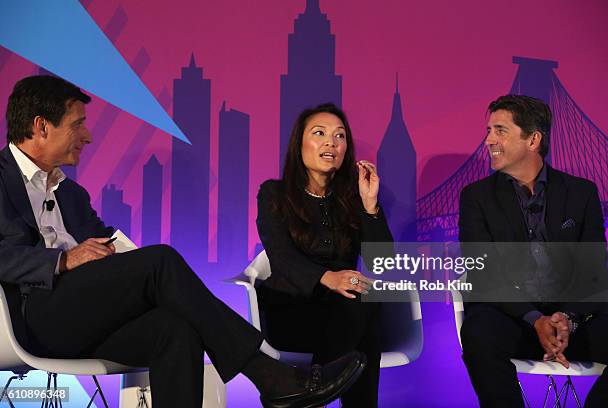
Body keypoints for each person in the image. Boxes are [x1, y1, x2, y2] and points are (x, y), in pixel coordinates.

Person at [0, 75, 367, 408]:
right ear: (41, 127)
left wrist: (131, 268)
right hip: (38, 316)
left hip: (87, 313)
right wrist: (62, 262)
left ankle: (272, 378)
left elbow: (108, 244)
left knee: (177, 330)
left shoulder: (71, 193)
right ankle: (268, 374)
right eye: (78, 124)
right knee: (160, 261)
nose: (88, 136)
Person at [458, 94, 608, 407]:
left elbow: (592, 271)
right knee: (478, 336)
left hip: (570, 321)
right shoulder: (476, 197)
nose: (488, 140)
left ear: (533, 140)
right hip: (510, 317)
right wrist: (533, 318)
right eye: (488, 130)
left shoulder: (581, 193)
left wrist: (566, 319)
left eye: (500, 130)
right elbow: (484, 273)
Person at [256, 103, 393, 407]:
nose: (331, 142)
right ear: (300, 144)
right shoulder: (274, 194)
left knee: (364, 307)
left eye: (340, 136)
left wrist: (370, 206)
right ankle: (313, 393)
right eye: (320, 133)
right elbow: (280, 256)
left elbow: (383, 261)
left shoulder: (351, 198)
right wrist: (328, 278)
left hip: (345, 312)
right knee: (362, 315)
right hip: (291, 310)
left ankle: (304, 395)